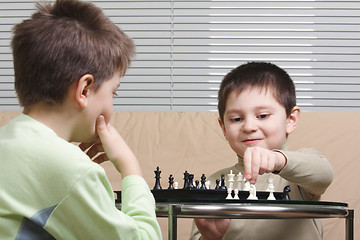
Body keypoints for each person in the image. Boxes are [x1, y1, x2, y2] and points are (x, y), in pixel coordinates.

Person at [0, 0, 162, 239]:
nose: (112, 103)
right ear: (84, 90)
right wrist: (130, 167)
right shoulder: (72, 170)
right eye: (113, 92)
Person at [190, 62, 333, 240]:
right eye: (236, 119)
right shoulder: (213, 183)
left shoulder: (299, 172)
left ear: (291, 120)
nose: (249, 126)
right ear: (223, 128)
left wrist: (277, 161)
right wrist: (210, 237)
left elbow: (324, 174)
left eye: (263, 116)